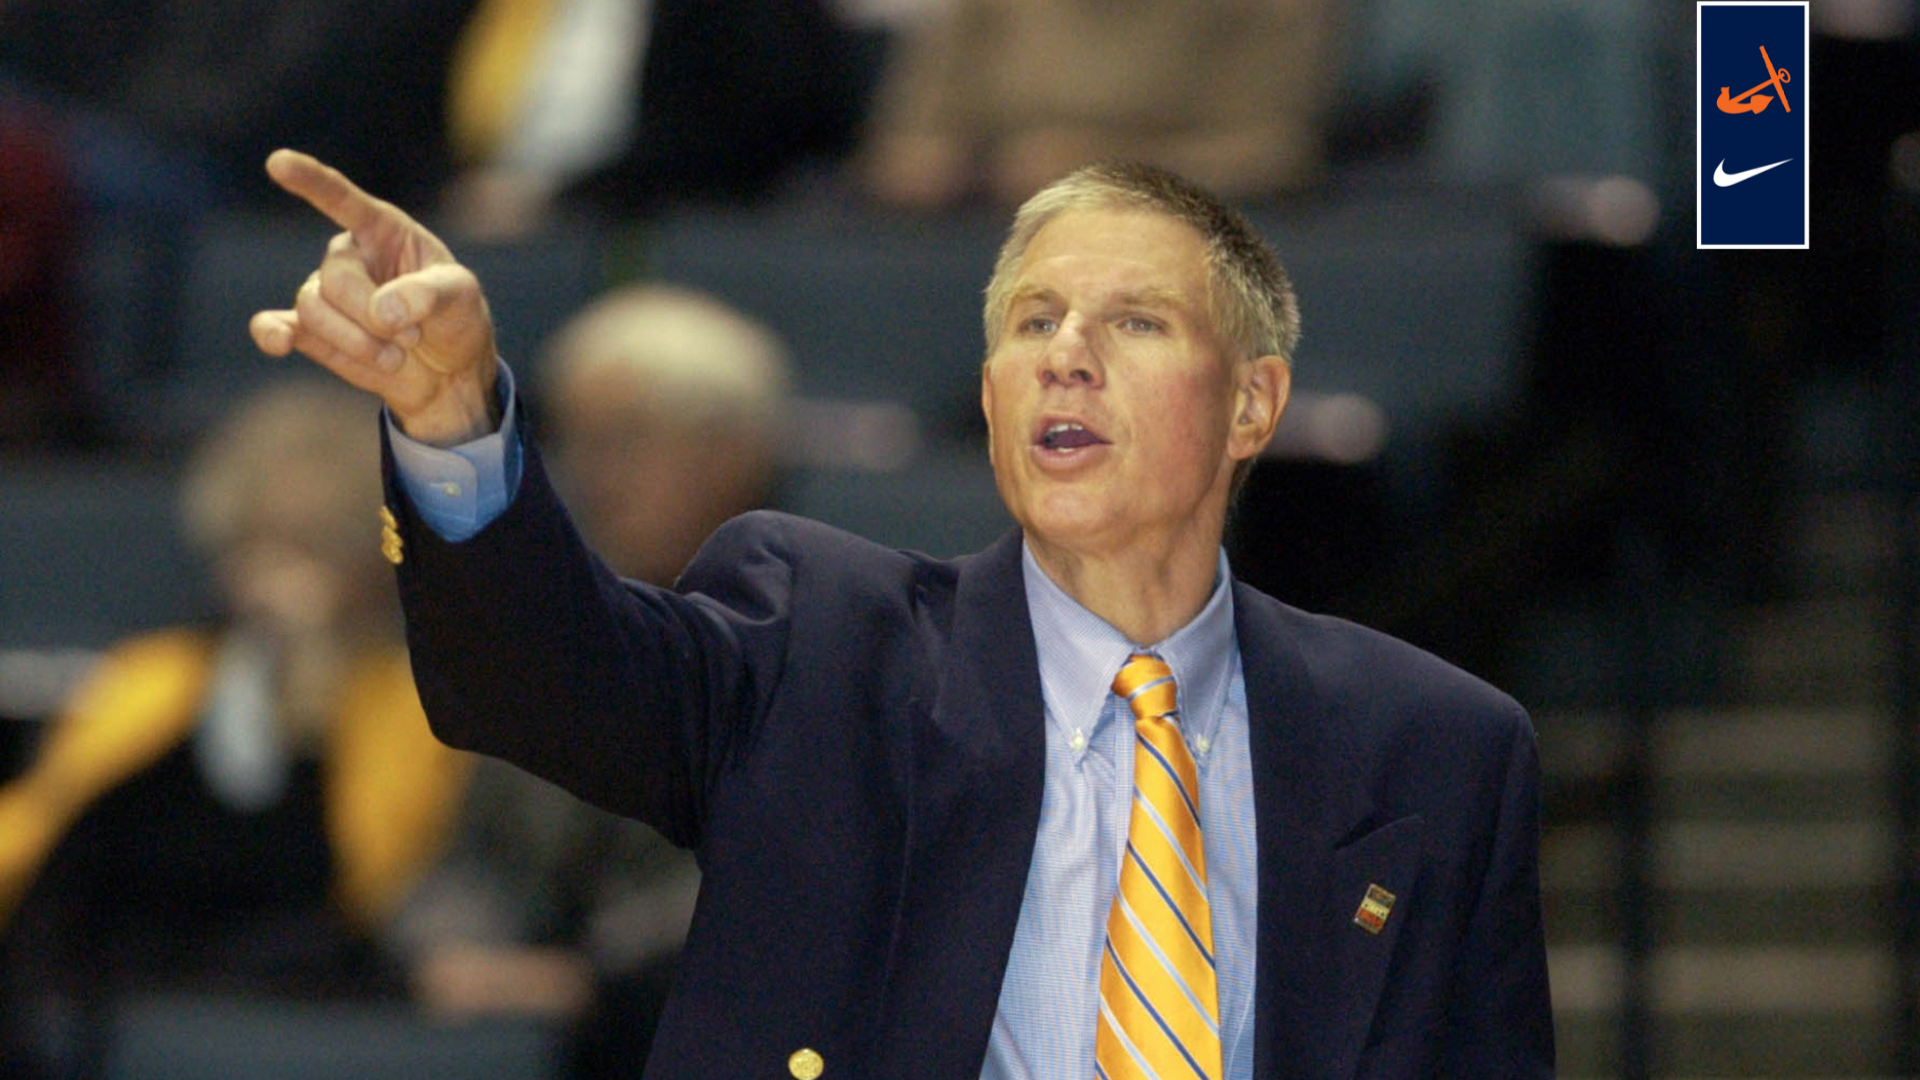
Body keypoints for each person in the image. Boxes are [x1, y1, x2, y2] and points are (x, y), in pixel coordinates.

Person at [250, 148, 1553, 1078]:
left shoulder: (1438, 748)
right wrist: (452, 422)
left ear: (1254, 408)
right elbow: (552, 680)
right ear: (990, 399)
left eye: (1136, 321)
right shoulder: (824, 640)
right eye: (1033, 321)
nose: (1068, 354)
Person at [0, 379, 470, 1073]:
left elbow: (370, 881)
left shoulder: (417, 701)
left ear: (371, 557)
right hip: (114, 990)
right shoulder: (154, 675)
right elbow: (40, 838)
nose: (271, 574)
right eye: (256, 542)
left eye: (308, 546)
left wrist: (305, 698)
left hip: (310, 1012)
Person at [387, 284, 790, 1077]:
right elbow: (469, 858)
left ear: (733, 454)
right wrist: (456, 946)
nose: (592, 476)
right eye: (575, 441)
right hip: (536, 1015)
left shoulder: (817, 632)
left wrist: (591, 978)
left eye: (628, 439)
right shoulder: (549, 632)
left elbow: (784, 878)